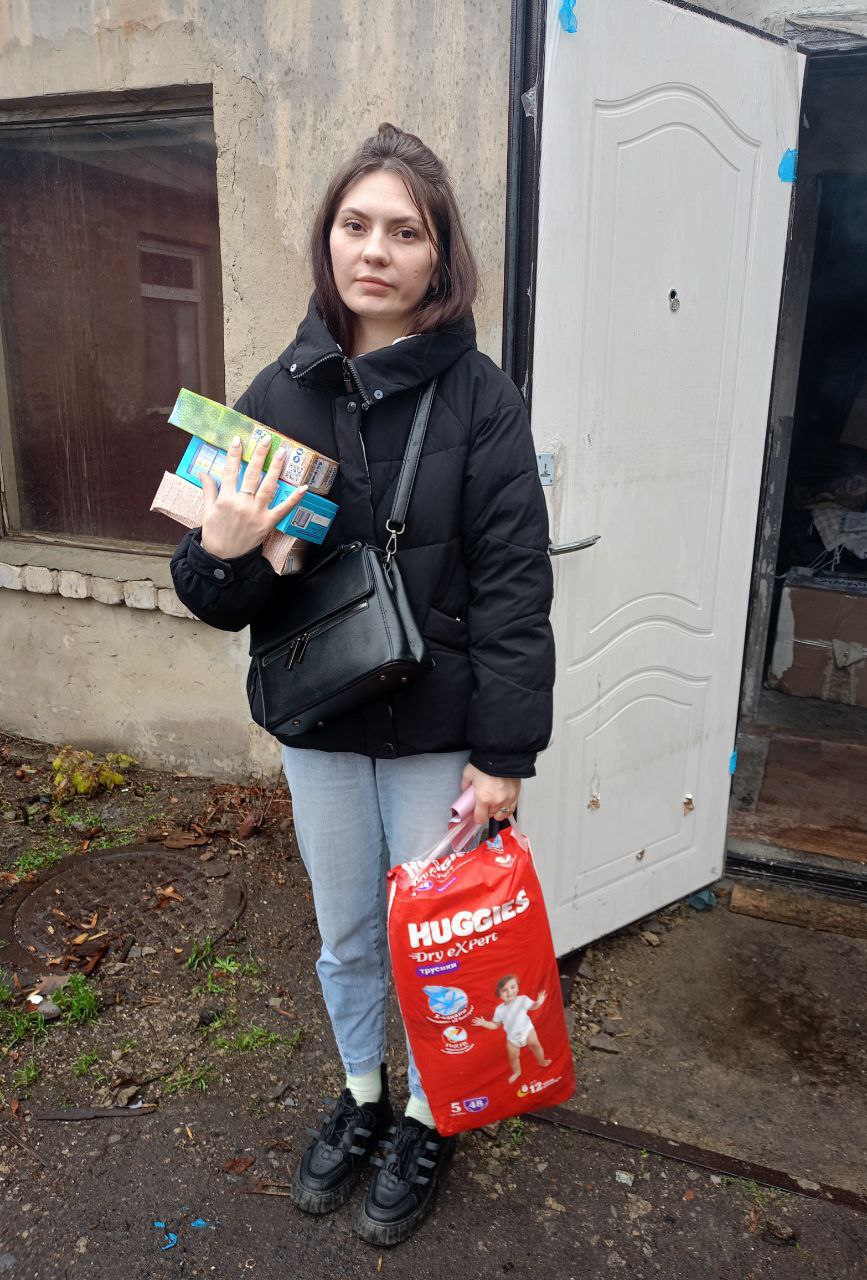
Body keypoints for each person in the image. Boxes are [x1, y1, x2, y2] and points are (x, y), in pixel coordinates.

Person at [170, 123, 554, 1246]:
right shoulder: (274, 396)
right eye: (355, 225)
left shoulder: (482, 400)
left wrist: (504, 756)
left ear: (441, 256)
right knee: (346, 934)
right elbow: (212, 592)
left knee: (440, 940)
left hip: (440, 732)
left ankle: (432, 1113)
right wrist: (224, 551)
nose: (375, 250)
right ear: (327, 239)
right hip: (322, 725)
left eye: (404, 231)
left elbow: (515, 590)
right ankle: (363, 1094)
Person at [472, 976, 551, 1083]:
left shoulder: (522, 999)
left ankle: (542, 1061)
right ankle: (517, 1072)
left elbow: (533, 1006)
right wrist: (484, 1023)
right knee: (513, 1057)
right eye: (504, 990)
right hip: (512, 1038)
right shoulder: (499, 1009)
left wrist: (538, 1002)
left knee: (536, 1046)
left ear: (517, 987)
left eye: (512, 987)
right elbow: (495, 1025)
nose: (509, 992)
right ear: (499, 994)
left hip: (527, 1031)